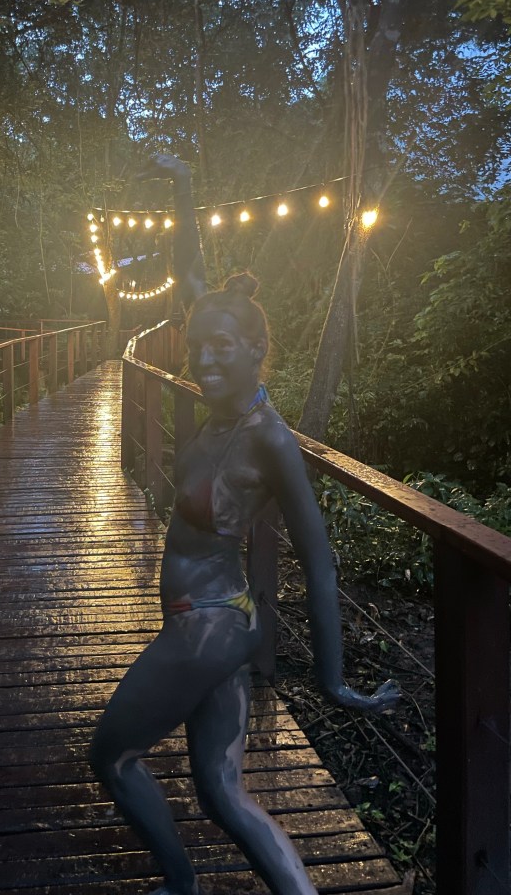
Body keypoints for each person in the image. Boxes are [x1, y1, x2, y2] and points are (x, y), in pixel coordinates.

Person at [88, 154, 399, 895]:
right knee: (221, 791)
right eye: (196, 346)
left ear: (257, 350)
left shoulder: (270, 439)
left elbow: (318, 560)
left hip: (209, 627)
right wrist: (183, 184)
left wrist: (333, 681)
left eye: (219, 349)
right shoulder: (219, 391)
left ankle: (181, 885)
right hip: (215, 621)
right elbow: (189, 269)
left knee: (112, 757)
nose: (202, 359)